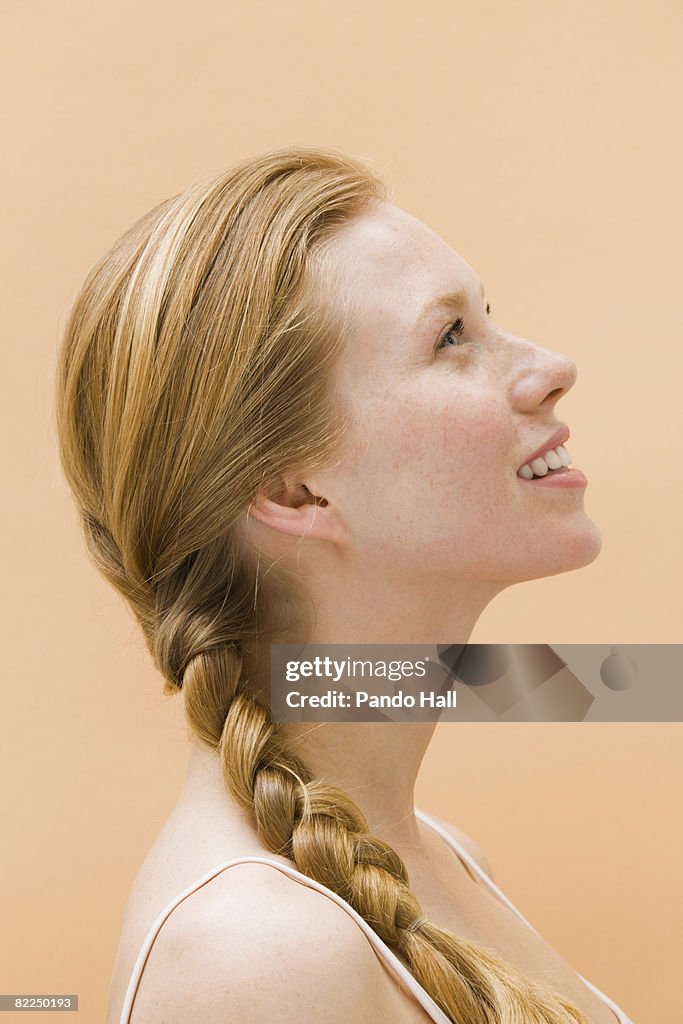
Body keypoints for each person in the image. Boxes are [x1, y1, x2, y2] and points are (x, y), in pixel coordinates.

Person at [55, 145, 632, 1024]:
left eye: (487, 315)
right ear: (293, 492)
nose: (550, 365)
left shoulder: (432, 857)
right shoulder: (259, 953)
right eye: (450, 338)